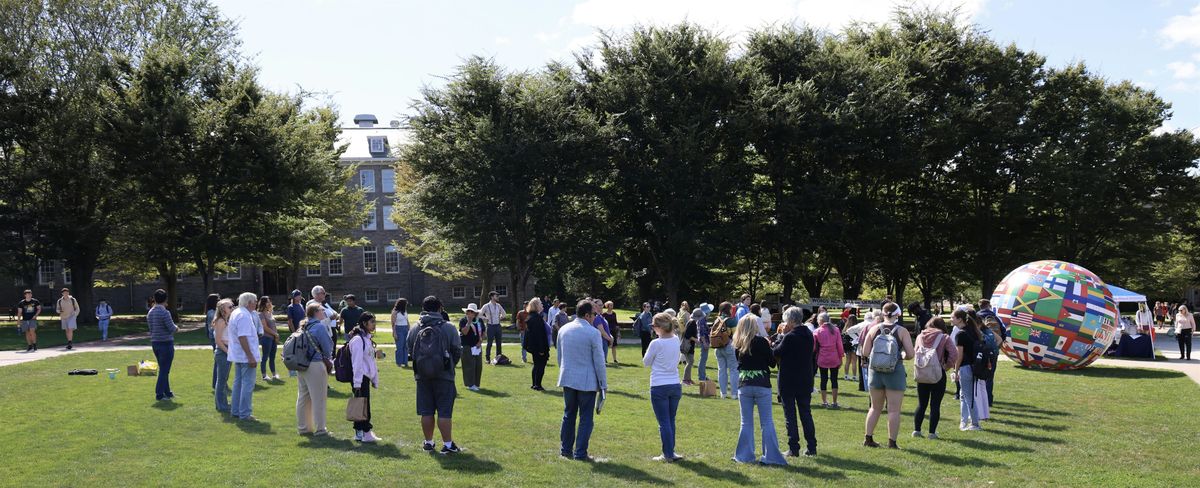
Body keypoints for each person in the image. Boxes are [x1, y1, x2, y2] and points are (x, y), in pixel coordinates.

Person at [407, 296, 464, 454]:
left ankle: (429, 443)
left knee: (426, 411)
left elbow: (410, 350)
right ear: (439, 308)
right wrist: (449, 365)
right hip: (444, 375)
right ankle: (447, 445)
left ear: (423, 308)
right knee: (444, 412)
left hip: (422, 375)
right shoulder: (448, 327)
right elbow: (457, 350)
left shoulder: (415, 328)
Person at [557, 300, 607, 461]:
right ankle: (580, 453)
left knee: (568, 415)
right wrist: (603, 384)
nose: (595, 317)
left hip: (568, 378)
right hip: (587, 382)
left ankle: (565, 450)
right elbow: (599, 362)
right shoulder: (593, 333)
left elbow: (560, 357)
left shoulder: (564, 329)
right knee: (586, 418)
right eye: (594, 314)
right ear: (587, 315)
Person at [732, 314, 786, 465]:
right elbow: (772, 363)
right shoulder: (762, 342)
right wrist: (771, 347)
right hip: (762, 384)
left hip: (744, 385)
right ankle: (771, 456)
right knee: (767, 422)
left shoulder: (738, 343)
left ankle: (744, 456)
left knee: (746, 423)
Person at [862, 302, 916, 449]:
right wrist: (902, 355)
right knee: (893, 410)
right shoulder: (902, 331)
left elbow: (865, 352)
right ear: (897, 314)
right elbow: (911, 354)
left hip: (875, 372)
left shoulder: (873, 329)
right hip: (894, 371)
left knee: (874, 408)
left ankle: (868, 438)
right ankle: (892, 442)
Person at [773, 307, 817, 457]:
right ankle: (812, 447)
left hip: (789, 380)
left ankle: (794, 448)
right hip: (805, 378)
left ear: (791, 321)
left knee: (790, 416)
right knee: (806, 413)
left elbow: (776, 352)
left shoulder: (789, 337)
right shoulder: (809, 334)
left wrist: (780, 336)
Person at [643, 312, 683, 462]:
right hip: (674, 384)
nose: (652, 328)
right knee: (670, 420)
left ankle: (667, 454)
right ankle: (670, 451)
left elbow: (646, 362)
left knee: (664, 422)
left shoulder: (656, 343)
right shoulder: (676, 339)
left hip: (659, 385)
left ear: (660, 327)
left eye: (654, 326)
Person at [913, 317, 958, 440]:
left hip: (922, 372)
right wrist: (946, 366)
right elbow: (954, 354)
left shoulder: (920, 336)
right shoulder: (944, 337)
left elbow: (915, 352)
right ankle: (932, 433)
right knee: (935, 405)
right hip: (938, 373)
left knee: (921, 404)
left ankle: (916, 430)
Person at [296, 302, 334, 436]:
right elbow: (328, 347)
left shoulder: (303, 325)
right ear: (316, 312)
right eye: (322, 310)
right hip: (315, 364)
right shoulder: (319, 326)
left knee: (303, 397)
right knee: (319, 398)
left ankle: (303, 428)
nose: (324, 312)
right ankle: (320, 429)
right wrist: (328, 358)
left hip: (302, 364)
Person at [348, 312, 382, 443]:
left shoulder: (366, 338)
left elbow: (369, 361)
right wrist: (357, 383)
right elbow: (356, 363)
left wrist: (373, 378)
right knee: (363, 405)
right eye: (372, 322)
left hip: (364, 377)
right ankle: (366, 432)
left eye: (374, 321)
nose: (374, 324)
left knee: (360, 404)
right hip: (360, 377)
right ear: (364, 323)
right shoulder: (358, 340)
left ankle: (359, 432)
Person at [228, 292, 261, 421]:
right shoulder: (244, 315)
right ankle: (244, 413)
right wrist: (250, 356)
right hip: (245, 356)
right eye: (255, 301)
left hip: (239, 355)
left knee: (238, 384)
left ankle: (236, 411)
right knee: (247, 385)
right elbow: (242, 337)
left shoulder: (237, 313)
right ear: (249, 303)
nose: (256, 303)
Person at [952, 308, 984, 431]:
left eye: (953, 317)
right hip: (974, 367)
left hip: (965, 367)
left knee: (968, 396)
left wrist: (955, 370)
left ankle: (975, 424)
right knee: (963, 395)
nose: (951, 319)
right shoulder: (973, 331)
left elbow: (959, 355)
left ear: (960, 319)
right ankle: (964, 421)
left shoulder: (960, 334)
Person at [147, 289, 179, 402]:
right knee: (164, 370)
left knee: (163, 369)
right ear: (165, 299)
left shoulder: (150, 312)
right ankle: (159, 394)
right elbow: (172, 328)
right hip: (166, 343)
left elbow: (151, 329)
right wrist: (177, 328)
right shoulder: (165, 312)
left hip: (155, 343)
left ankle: (167, 392)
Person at [814, 312, 845, 408]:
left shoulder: (817, 331)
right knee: (834, 379)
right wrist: (841, 357)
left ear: (820, 320)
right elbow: (839, 345)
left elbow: (814, 347)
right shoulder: (836, 330)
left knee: (823, 379)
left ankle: (824, 401)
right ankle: (834, 402)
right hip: (834, 357)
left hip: (822, 357)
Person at [713, 302, 740, 399]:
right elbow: (736, 335)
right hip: (729, 346)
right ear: (729, 309)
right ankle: (734, 394)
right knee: (733, 370)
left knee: (721, 370)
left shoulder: (717, 319)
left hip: (718, 347)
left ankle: (723, 393)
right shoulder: (731, 320)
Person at [212, 299, 234, 413]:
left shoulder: (226, 320)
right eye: (229, 307)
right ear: (222, 309)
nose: (232, 308)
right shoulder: (220, 321)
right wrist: (228, 351)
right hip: (223, 352)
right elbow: (218, 341)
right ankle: (222, 405)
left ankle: (222, 403)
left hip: (226, 351)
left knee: (223, 380)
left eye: (232, 306)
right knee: (221, 381)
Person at [525, 299, 551, 390]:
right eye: (540, 304)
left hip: (534, 346)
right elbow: (538, 335)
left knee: (536, 365)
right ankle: (537, 385)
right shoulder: (536, 318)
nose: (542, 305)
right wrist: (541, 349)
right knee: (540, 365)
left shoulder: (531, 316)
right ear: (536, 306)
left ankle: (534, 384)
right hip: (538, 346)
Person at [459, 303, 484, 391]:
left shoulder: (479, 321)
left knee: (478, 366)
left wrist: (480, 341)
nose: (470, 313)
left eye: (472, 312)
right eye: (468, 311)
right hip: (467, 346)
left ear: (475, 313)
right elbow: (464, 332)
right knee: (469, 366)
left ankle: (476, 384)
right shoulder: (463, 321)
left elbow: (483, 332)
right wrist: (469, 322)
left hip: (477, 347)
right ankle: (470, 384)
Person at [256, 296, 281, 380]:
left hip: (273, 337)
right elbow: (264, 327)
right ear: (263, 303)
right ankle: (264, 375)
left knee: (272, 357)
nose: (269, 303)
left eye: (270, 301)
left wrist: (276, 336)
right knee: (265, 357)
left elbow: (273, 326)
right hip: (266, 338)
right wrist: (275, 334)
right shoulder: (260, 314)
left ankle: (274, 374)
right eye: (267, 302)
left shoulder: (270, 313)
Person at [481, 291, 506, 363]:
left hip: (498, 326)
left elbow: (504, 314)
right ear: (492, 297)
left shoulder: (498, 305)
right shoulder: (486, 306)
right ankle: (487, 358)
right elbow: (479, 314)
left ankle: (499, 358)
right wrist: (486, 318)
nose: (498, 297)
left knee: (499, 343)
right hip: (490, 326)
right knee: (489, 343)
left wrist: (500, 317)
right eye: (496, 296)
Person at [681, 309, 700, 385]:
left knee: (690, 362)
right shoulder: (692, 322)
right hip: (688, 345)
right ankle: (685, 380)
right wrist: (696, 340)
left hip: (689, 345)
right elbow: (687, 335)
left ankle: (688, 379)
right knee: (690, 362)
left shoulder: (691, 321)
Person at [592, 298, 614, 363]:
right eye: (600, 305)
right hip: (601, 341)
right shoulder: (596, 317)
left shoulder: (600, 316)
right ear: (594, 306)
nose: (602, 306)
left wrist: (610, 336)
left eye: (602, 305)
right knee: (601, 362)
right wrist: (610, 340)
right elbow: (602, 332)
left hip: (604, 341)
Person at [392, 298, 410, 368]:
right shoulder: (395, 312)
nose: (406, 305)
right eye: (405, 304)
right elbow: (393, 323)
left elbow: (407, 321)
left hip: (406, 329)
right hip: (398, 329)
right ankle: (399, 362)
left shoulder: (405, 311)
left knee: (406, 347)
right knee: (400, 347)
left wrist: (409, 330)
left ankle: (405, 362)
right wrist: (394, 333)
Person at [697, 303, 712, 382]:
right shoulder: (702, 320)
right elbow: (702, 333)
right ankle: (702, 377)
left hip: (704, 341)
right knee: (703, 359)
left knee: (703, 359)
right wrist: (705, 343)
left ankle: (702, 375)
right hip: (704, 341)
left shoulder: (702, 319)